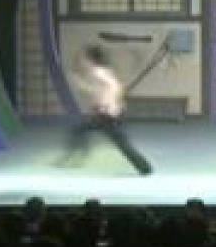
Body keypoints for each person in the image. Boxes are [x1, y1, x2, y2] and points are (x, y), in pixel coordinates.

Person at [59, 45, 153, 175]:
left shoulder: (98, 71)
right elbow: (95, 90)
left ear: (90, 59)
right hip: (102, 115)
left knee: (121, 143)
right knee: (80, 130)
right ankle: (78, 155)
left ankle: (145, 168)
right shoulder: (97, 72)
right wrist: (79, 82)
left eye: (84, 58)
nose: (82, 61)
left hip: (108, 115)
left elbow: (115, 86)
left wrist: (111, 104)